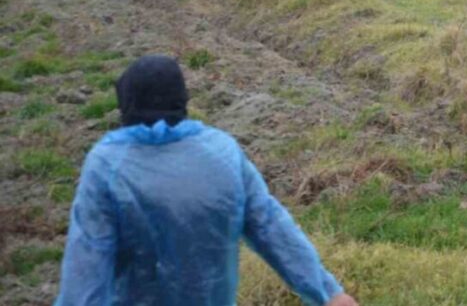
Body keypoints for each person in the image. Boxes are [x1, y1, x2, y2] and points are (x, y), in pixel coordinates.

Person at [55, 55, 357, 306]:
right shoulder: (222, 154)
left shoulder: (108, 164)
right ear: (182, 99)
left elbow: (87, 263)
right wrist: (329, 293)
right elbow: (270, 226)